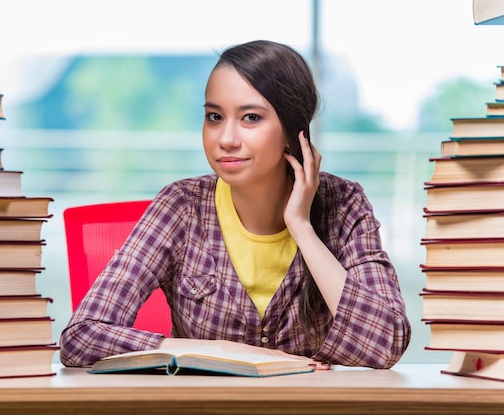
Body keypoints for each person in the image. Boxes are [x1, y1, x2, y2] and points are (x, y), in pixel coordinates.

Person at [60, 40, 411, 369]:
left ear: (294, 130)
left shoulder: (345, 204)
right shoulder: (181, 206)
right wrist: (214, 350)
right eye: (214, 117)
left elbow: (387, 343)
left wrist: (302, 228)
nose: (226, 139)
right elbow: (81, 337)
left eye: (251, 118)